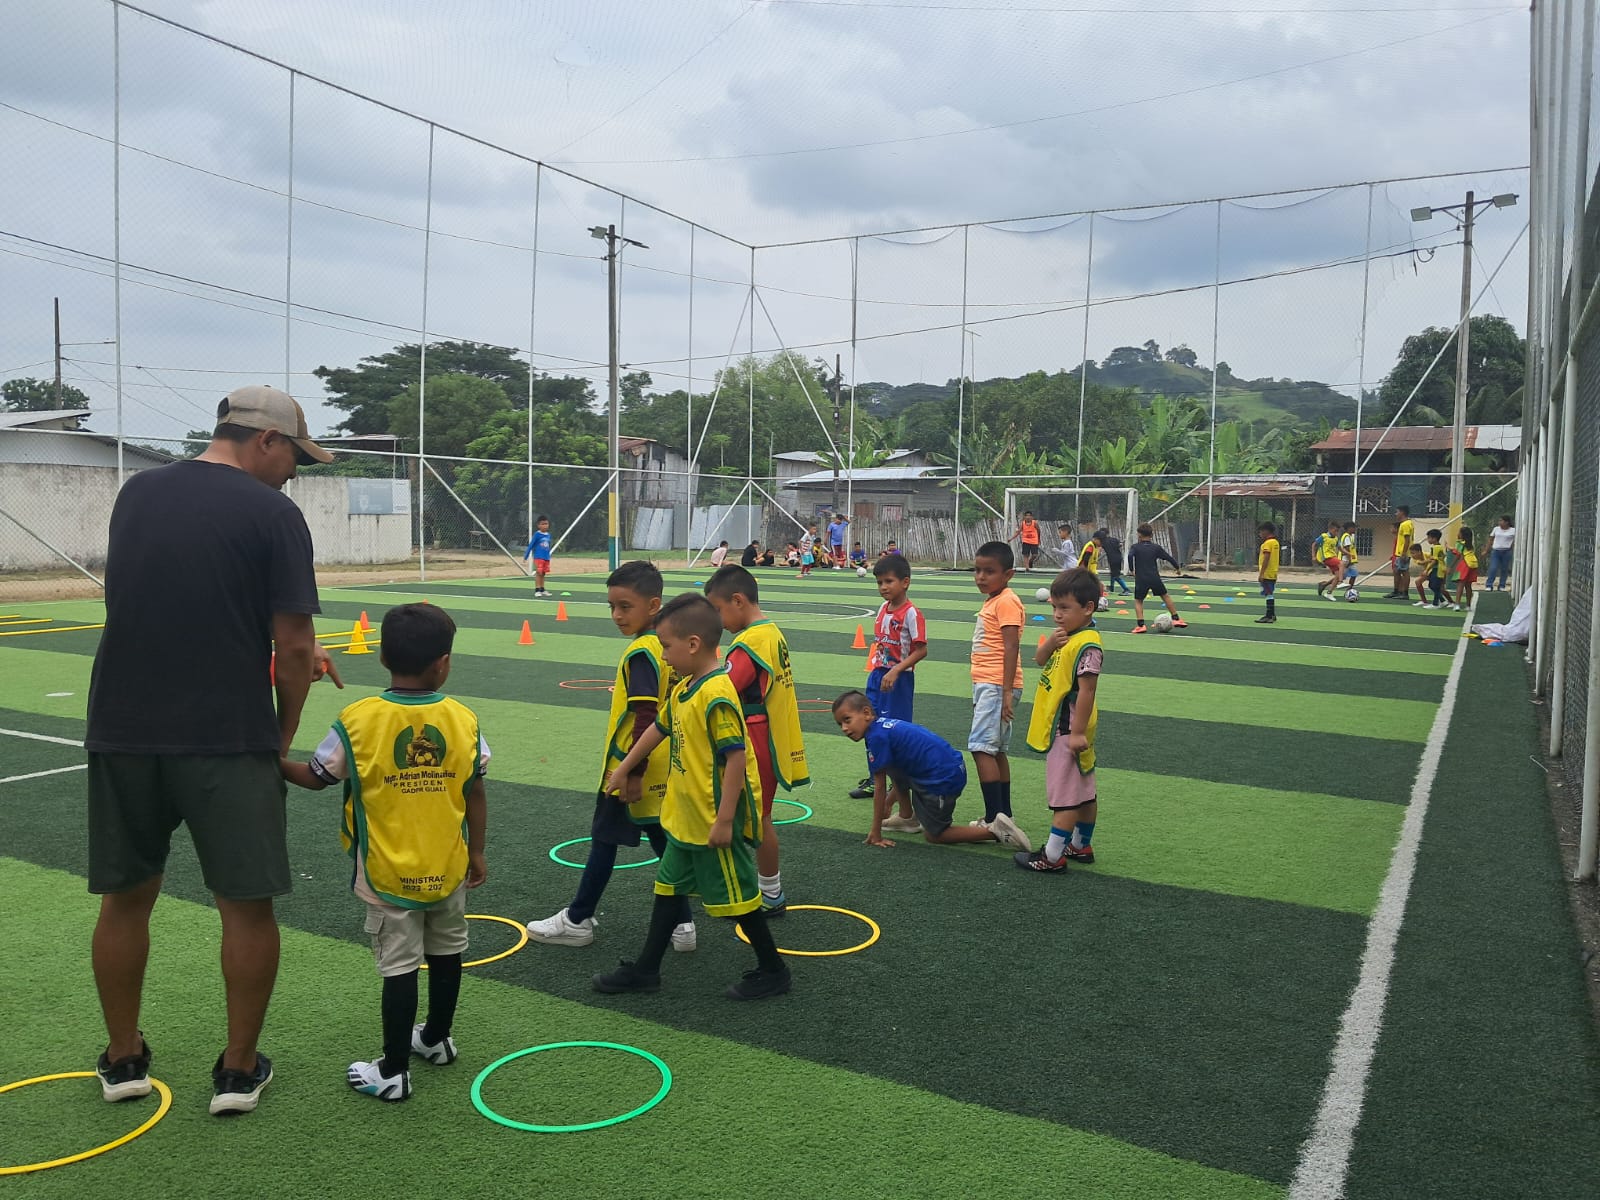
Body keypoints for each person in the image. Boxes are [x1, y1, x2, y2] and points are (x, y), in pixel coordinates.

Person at [86, 384, 338, 1116]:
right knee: (246, 908)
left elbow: (160, 605)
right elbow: (294, 645)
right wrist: (278, 736)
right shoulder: (273, 513)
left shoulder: (137, 494)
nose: (294, 474)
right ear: (266, 440)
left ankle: (123, 1058)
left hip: (122, 726)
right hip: (227, 736)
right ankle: (237, 1070)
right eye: (294, 458)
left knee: (125, 900)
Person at [279, 603, 487, 1102]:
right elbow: (475, 791)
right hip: (449, 865)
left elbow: (317, 777)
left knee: (399, 965)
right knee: (447, 952)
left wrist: (271, 759)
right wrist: (477, 853)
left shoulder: (358, 720)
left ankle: (392, 1071)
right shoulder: (463, 719)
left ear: (382, 657)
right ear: (443, 663)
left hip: (386, 869)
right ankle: (436, 1039)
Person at [592, 594, 791, 1001]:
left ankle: (774, 970)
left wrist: (725, 819)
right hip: (686, 818)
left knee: (740, 899)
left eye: (667, 646)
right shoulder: (686, 688)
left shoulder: (716, 694)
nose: (663, 655)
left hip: (711, 819)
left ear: (694, 644)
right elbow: (658, 729)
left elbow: (736, 758)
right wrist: (625, 767)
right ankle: (647, 970)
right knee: (667, 889)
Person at [524, 561, 694, 952]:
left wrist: (631, 772)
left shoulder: (642, 651)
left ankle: (577, 919)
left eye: (625, 606)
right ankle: (683, 924)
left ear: (654, 605)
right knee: (662, 841)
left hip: (630, 765)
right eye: (612, 606)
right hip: (665, 765)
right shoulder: (668, 648)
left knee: (604, 840)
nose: (617, 615)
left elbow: (646, 714)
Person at [704, 566, 810, 917]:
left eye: (718, 610)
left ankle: (770, 893)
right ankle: (750, 887)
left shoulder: (750, 642)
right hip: (767, 734)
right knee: (751, 816)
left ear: (738, 600)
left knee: (756, 817)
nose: (717, 621)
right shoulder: (771, 632)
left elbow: (723, 688)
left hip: (754, 737)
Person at [832, 692, 1030, 851]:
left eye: (847, 720)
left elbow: (880, 786)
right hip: (946, 767)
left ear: (867, 713)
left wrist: (876, 832)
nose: (844, 728)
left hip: (942, 780)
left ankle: (995, 831)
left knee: (935, 835)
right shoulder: (881, 727)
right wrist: (889, 803)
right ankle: (907, 817)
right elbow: (895, 771)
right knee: (892, 764)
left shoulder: (876, 738)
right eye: (840, 724)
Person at [1015, 567, 1103, 871]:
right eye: (1054, 607)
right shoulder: (1069, 636)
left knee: (1066, 796)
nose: (1057, 615)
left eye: (1064, 608)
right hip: (1069, 730)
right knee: (1084, 790)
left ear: (1088, 608)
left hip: (1068, 730)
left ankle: (1052, 857)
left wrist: (1076, 733)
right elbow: (1040, 660)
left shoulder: (1088, 646)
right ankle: (1080, 845)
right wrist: (1051, 642)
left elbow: (1087, 691)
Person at [847, 555, 928, 830]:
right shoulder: (883, 608)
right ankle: (878, 781)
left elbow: (921, 650)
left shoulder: (912, 613)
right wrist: (880, 671)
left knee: (895, 736)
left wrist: (896, 670)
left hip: (898, 680)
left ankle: (899, 802)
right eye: (879, 582)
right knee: (872, 729)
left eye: (889, 581)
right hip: (877, 676)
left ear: (905, 582)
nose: (883, 587)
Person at [967, 541, 1031, 846]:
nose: (981, 577)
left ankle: (994, 820)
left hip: (996, 685)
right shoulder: (996, 599)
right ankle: (1004, 815)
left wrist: (1006, 691)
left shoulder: (1006, 601)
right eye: (977, 570)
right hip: (992, 684)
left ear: (1008, 574)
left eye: (989, 571)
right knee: (996, 750)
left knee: (981, 748)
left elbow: (1011, 645)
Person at [1126, 524, 1188, 633]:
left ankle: (1141, 625)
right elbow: (1168, 557)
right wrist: (1177, 568)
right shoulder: (1156, 548)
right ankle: (1176, 618)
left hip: (1141, 578)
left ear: (1139, 535)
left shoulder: (1135, 547)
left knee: (1139, 600)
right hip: (1154, 577)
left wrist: (1132, 569)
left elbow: (1130, 556)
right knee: (1165, 596)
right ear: (1152, 535)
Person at [1386, 506, 1415, 599]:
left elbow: (1407, 540)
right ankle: (1396, 591)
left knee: (1404, 571)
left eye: (1397, 512)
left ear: (1402, 512)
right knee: (1396, 571)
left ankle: (1405, 593)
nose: (1396, 514)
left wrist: (1404, 553)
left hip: (1403, 553)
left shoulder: (1406, 524)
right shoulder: (1404, 524)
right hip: (1399, 552)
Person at [1255, 521, 1280, 625]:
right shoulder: (1275, 542)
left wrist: (1261, 573)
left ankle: (1269, 615)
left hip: (1267, 573)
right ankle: (1272, 615)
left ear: (1266, 531)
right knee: (1269, 592)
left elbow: (1266, 558)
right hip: (1273, 572)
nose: (1260, 534)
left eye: (1261, 532)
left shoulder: (1267, 544)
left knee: (1268, 593)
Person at [1450, 527, 1479, 611]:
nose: (1457, 534)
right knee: (1468, 586)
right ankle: (1468, 605)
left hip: (1464, 564)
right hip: (1473, 565)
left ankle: (1457, 604)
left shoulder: (1460, 543)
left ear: (1462, 535)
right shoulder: (1471, 545)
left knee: (1460, 585)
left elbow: (1457, 554)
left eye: (1459, 532)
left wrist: (1451, 566)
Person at [524, 515, 553, 598]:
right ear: (538, 525)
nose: (545, 526)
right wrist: (526, 556)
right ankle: (537, 590)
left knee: (543, 573)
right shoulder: (537, 534)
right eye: (543, 524)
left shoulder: (548, 535)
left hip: (546, 558)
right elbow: (531, 545)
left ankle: (542, 589)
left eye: (546, 524)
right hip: (538, 557)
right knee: (539, 573)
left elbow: (548, 546)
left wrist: (548, 556)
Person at [1315, 520, 1344, 598]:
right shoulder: (1324, 536)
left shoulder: (1336, 539)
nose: (1336, 533)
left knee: (1337, 575)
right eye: (1335, 531)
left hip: (1333, 557)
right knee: (1341, 563)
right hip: (1326, 558)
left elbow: (1340, 548)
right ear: (1330, 529)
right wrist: (1313, 556)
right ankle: (1341, 582)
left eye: (1337, 531)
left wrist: (1348, 554)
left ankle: (1328, 592)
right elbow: (1314, 544)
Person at [1486, 515, 1515, 590]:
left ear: (1506, 522)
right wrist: (1486, 550)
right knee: (1493, 568)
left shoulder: (1513, 530)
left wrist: (1511, 546)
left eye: (1501, 521)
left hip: (1506, 552)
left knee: (1504, 569)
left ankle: (1502, 585)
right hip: (1496, 551)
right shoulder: (1496, 529)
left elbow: (1515, 540)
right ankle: (1489, 585)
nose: (1499, 522)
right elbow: (1491, 539)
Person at [1098, 527, 1130, 595]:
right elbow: (1120, 545)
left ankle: (1126, 589)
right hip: (1118, 558)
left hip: (1112, 559)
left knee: (1115, 576)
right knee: (1113, 574)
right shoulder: (1114, 539)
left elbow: (1099, 549)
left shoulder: (1103, 542)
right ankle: (1111, 588)